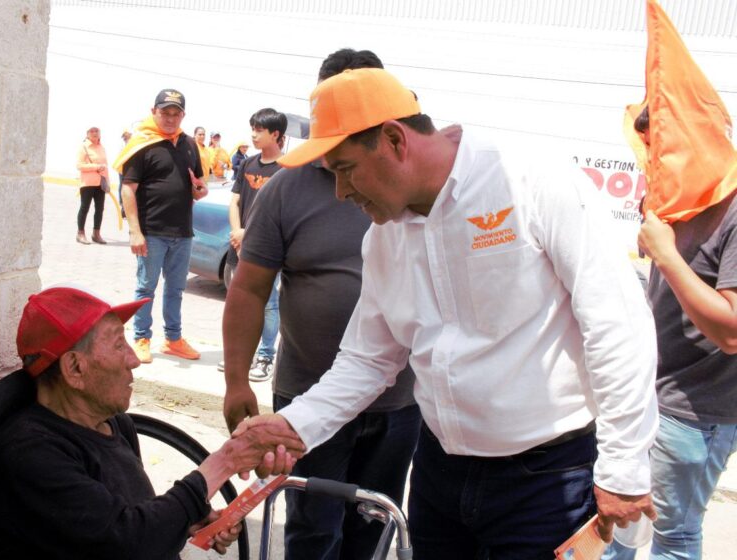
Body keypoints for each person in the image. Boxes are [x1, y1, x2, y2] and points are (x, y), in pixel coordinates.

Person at [233, 67, 660, 558]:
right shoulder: (384, 238)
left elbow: (615, 321)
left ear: (395, 140)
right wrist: (295, 425)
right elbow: (367, 360)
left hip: (545, 478)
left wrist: (624, 465)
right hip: (440, 470)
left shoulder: (529, 182)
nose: (341, 192)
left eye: (346, 169)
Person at [222, 49, 421, 560]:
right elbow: (248, 289)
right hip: (309, 398)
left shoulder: (409, 191)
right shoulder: (287, 188)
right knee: (313, 532)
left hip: (398, 403)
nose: (344, 187)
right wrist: (237, 380)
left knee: (374, 527)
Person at [0, 285, 303, 560]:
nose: (134, 360)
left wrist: (184, 519)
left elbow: (127, 518)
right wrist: (225, 461)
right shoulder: (29, 454)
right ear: (74, 368)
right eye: (119, 345)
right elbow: (129, 544)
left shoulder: (115, 423)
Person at [604, 113, 737, 560]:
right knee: (618, 525)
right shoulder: (681, 197)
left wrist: (666, 252)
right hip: (648, 394)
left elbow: (732, 331)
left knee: (673, 537)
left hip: (694, 410)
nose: (650, 163)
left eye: (658, 151)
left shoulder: (733, 207)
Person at [112, 89, 207, 364]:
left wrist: (199, 190)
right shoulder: (142, 144)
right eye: (165, 112)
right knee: (146, 288)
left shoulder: (189, 144)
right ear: (153, 111)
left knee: (176, 289)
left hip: (182, 232)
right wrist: (134, 231)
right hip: (151, 231)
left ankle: (173, 340)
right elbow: (128, 190)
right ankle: (141, 338)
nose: (170, 118)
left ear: (183, 115)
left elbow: (199, 186)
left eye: (176, 113)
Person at [225, 108, 287, 381]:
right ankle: (242, 356)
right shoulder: (248, 164)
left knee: (269, 304)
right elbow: (235, 201)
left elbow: (283, 213)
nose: (253, 135)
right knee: (240, 302)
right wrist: (237, 232)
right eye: (252, 128)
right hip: (239, 245)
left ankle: (265, 356)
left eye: (259, 130)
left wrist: (247, 235)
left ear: (275, 134)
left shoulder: (287, 168)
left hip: (267, 249)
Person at [75, 126, 108, 245]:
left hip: (100, 183)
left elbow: (105, 166)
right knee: (85, 207)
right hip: (87, 183)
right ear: (87, 134)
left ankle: (96, 234)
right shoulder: (84, 147)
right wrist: (97, 167)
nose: (94, 133)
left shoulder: (101, 147)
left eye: (96, 131)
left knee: (100, 209)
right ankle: (80, 233)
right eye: (92, 131)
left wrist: (107, 182)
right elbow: (79, 165)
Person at [118, 128, 133, 217]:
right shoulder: (122, 145)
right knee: (123, 187)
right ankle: (123, 208)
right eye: (124, 136)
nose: (124, 137)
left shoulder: (133, 142)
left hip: (130, 168)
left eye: (126, 135)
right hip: (123, 169)